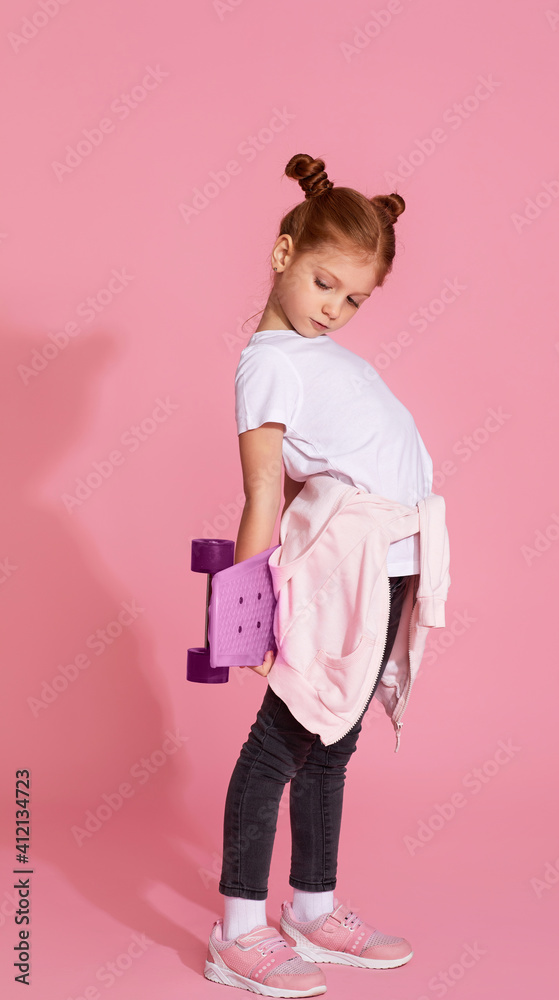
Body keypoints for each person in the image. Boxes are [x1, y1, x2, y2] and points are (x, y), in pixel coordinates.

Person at [205, 153, 436, 997]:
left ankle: (312, 907)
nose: (334, 308)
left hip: (390, 565)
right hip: (347, 575)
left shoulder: (321, 356)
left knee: (333, 744)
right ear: (283, 254)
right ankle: (237, 930)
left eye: (353, 299)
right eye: (323, 282)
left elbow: (322, 471)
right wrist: (245, 615)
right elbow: (265, 490)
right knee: (280, 745)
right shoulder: (268, 360)